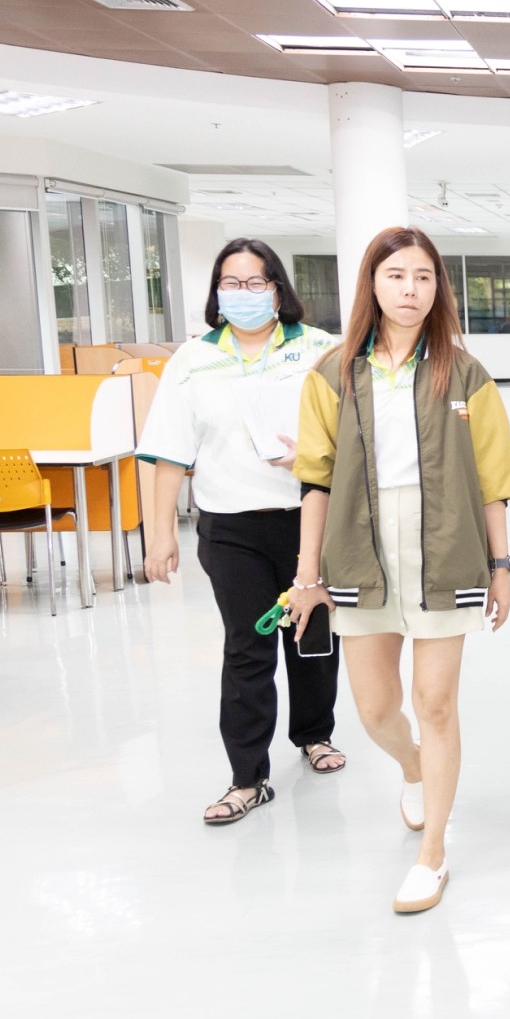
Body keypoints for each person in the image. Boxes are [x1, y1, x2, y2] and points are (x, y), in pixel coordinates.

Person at [288, 226, 510, 915]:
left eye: (423, 276)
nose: (410, 289)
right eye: (395, 276)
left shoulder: (465, 373)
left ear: (438, 287)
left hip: (446, 545)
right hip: (358, 546)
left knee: (435, 703)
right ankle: (413, 766)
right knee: (375, 709)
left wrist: (502, 566)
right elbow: (315, 479)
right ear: (372, 284)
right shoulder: (333, 372)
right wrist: (306, 576)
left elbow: (492, 479)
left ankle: (433, 854)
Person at [140, 238, 342, 826]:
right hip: (230, 526)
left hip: (309, 516)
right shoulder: (191, 359)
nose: (243, 293)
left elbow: (353, 432)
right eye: (231, 283)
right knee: (246, 648)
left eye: (256, 283)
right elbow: (168, 453)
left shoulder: (319, 349)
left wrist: (311, 455)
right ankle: (247, 777)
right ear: (216, 292)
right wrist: (160, 533)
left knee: (312, 638)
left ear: (278, 289)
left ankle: (314, 734)